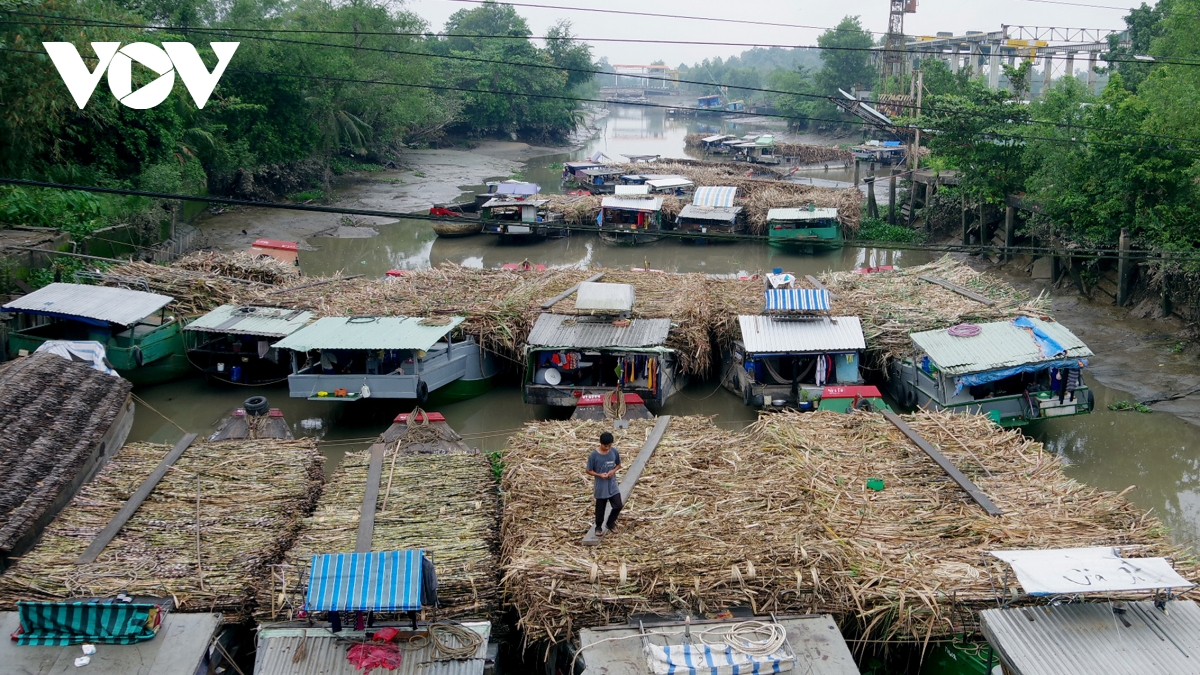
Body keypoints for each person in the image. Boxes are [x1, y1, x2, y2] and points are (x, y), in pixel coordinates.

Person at [586, 432, 622, 536]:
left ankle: (610, 523)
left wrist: (613, 471)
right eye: (605, 446)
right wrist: (599, 475)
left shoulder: (614, 451)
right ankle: (598, 526)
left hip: (612, 484)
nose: (607, 448)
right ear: (600, 443)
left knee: (618, 505)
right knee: (600, 509)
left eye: (609, 446)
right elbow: (588, 470)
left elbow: (619, 465)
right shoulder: (594, 455)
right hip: (601, 486)